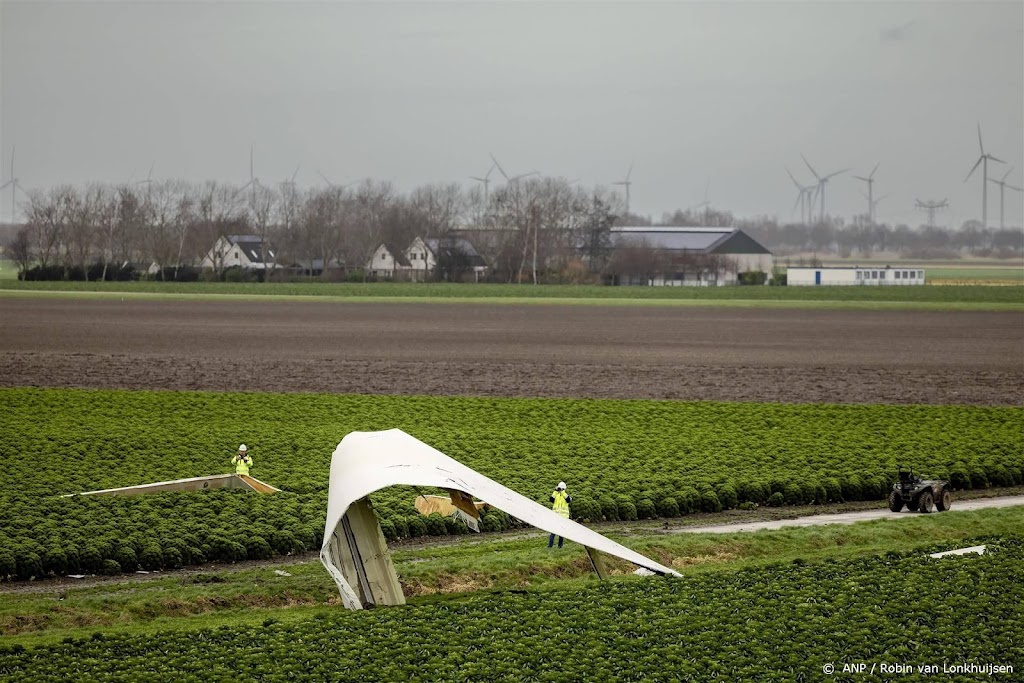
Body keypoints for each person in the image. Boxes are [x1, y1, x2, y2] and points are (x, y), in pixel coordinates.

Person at [548, 481, 571, 549]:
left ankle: (560, 546)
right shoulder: (556, 495)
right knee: (552, 533)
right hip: (555, 517)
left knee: (561, 534)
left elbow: (568, 500)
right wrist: (555, 491)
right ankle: (550, 547)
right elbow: (551, 499)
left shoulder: (566, 496)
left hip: (563, 517)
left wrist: (562, 492)